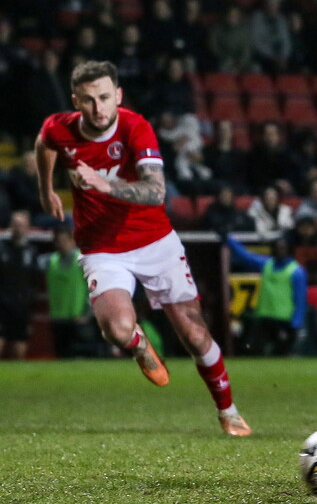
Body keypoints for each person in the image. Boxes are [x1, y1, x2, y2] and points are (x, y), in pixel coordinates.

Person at [35, 61, 251, 436]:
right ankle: (139, 345)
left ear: (118, 96)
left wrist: (104, 185)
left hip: (155, 241)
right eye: (88, 100)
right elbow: (44, 143)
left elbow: (156, 191)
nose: (98, 108)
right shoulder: (61, 128)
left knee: (196, 335)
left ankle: (228, 411)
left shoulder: (136, 128)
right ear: (76, 102)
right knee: (117, 329)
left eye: (105, 97)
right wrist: (46, 189)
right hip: (102, 247)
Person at [224, 235, 306, 355]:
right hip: (265, 317)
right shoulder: (267, 264)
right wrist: (228, 239)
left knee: (281, 353)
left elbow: (300, 299)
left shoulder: (296, 271)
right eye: (277, 248)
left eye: (283, 248)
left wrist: (296, 323)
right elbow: (245, 257)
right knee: (257, 352)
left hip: (284, 320)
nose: (280, 251)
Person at [42, 227, 93, 358]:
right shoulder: (50, 261)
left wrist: (87, 313)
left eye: (64, 241)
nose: (62, 245)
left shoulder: (82, 262)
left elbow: (91, 288)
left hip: (77, 317)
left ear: (72, 241)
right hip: (58, 317)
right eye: (59, 242)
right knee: (61, 354)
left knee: (79, 354)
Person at [0, 211, 41, 359]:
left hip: (21, 305)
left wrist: (29, 299)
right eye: (15, 225)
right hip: (2, 304)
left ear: (28, 228)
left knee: (19, 342)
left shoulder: (31, 252)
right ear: (10, 226)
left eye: (21, 225)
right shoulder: (2, 248)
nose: (18, 228)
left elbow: (34, 279)